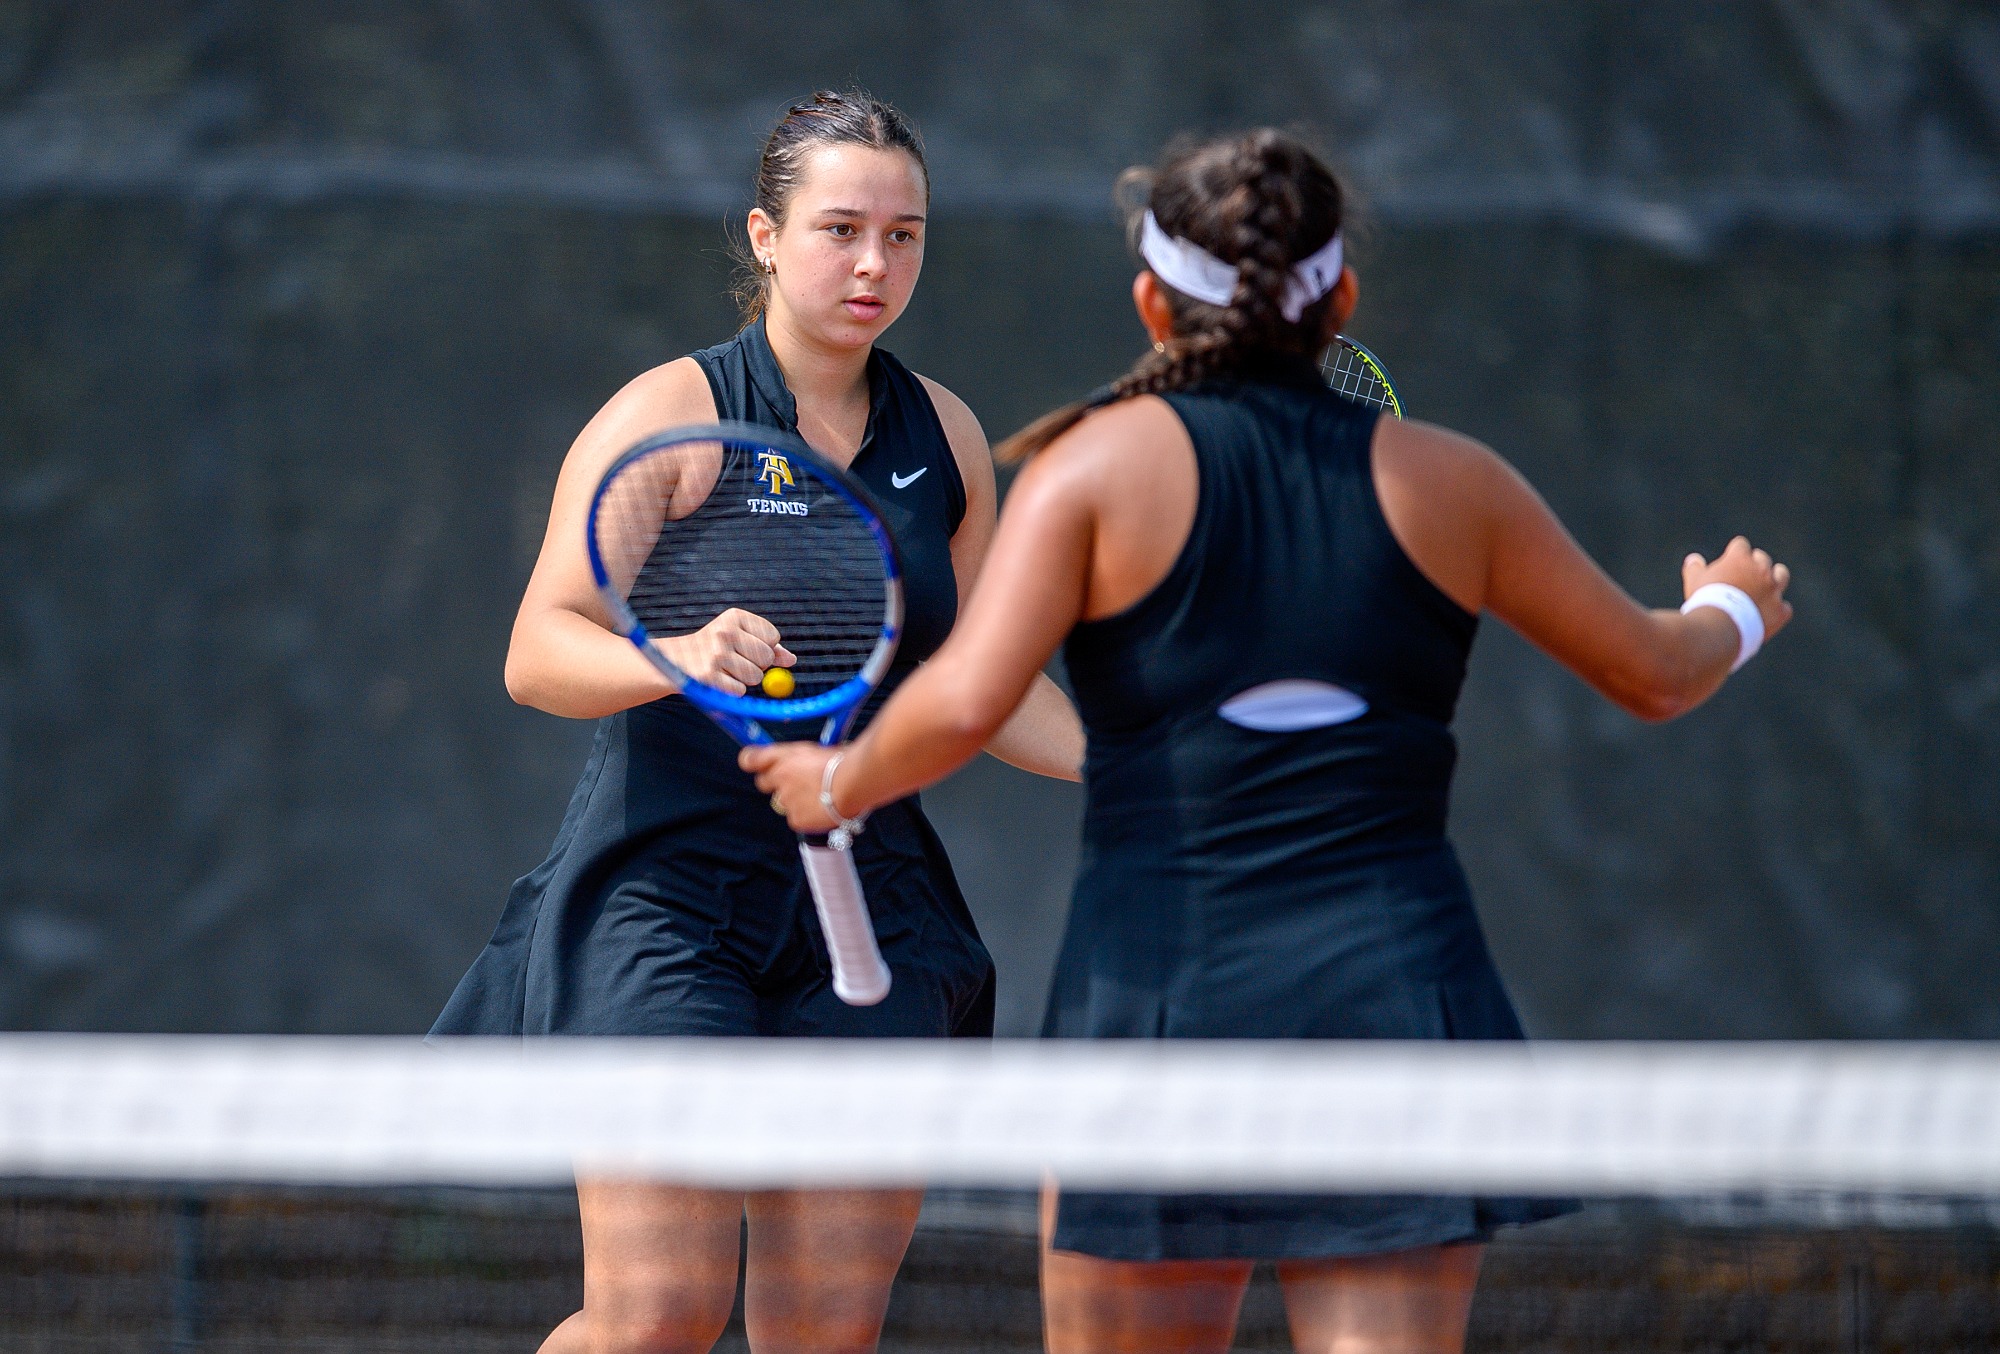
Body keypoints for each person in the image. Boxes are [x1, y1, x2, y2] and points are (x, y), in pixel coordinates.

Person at [744, 128, 1792, 1354]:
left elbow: (965, 697)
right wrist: (1732, 604)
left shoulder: (1091, 472)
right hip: (1392, 995)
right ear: (1339, 301)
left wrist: (836, 777)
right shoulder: (1451, 482)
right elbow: (1657, 671)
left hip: (1156, 998)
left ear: (1151, 303)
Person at [431, 90, 1084, 1354]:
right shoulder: (669, 416)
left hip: (868, 900)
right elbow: (538, 649)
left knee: (825, 1332)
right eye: (840, 228)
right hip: (664, 898)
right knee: (657, 1315)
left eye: (904, 235)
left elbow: (980, 682)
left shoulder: (943, 432)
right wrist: (670, 654)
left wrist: (1143, 768)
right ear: (765, 237)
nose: (873, 263)